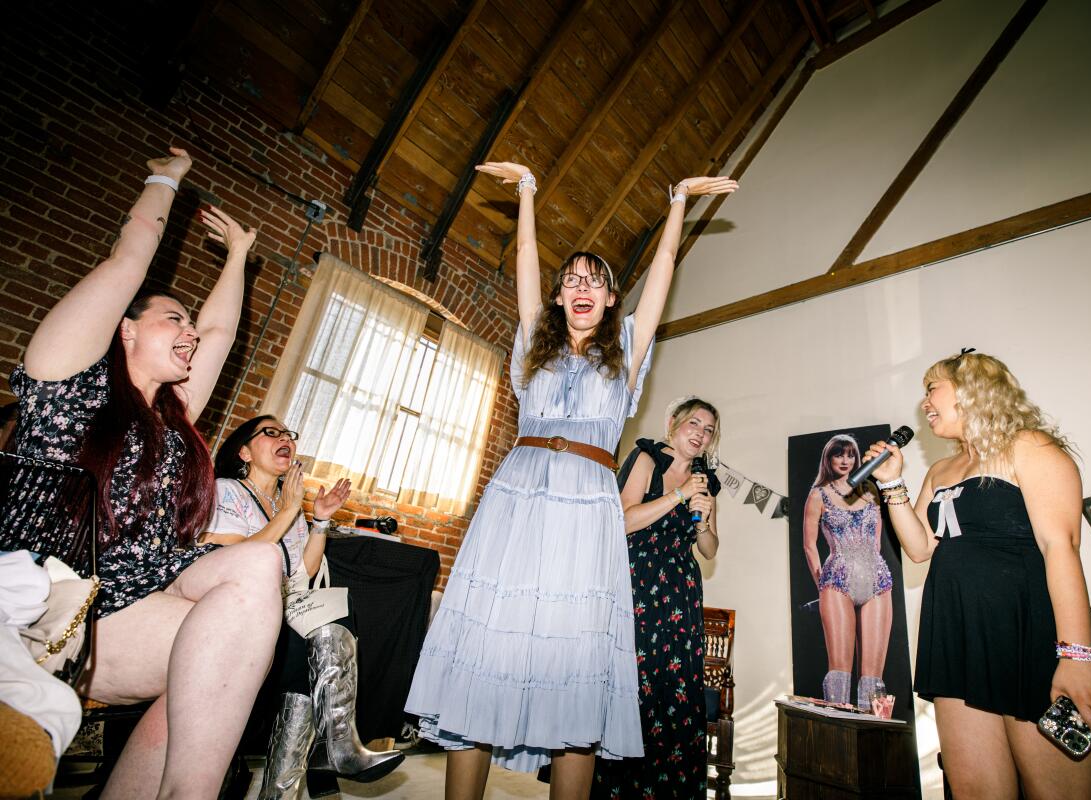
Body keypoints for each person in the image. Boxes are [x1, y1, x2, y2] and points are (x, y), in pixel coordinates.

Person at [405, 162, 737, 800]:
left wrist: (677, 205)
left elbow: (664, 273)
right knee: (487, 653)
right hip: (518, 499)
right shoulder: (534, 343)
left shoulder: (627, 357)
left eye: (597, 281)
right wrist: (527, 194)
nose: (582, 287)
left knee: (576, 666)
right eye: (572, 280)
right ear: (559, 297)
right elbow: (527, 258)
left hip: (587, 505)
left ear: (612, 300)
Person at [0, 148, 284, 798]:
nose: (189, 333)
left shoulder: (173, 416)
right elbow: (127, 262)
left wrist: (239, 256)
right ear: (125, 329)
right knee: (225, 663)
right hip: (70, 608)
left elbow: (218, 331)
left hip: (149, 592)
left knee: (259, 572)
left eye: (189, 323)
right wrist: (166, 180)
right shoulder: (70, 386)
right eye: (171, 319)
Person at [863, 351, 1091, 799]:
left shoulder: (1028, 446)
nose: (925, 401)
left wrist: (1077, 656)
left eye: (933, 388)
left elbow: (1061, 547)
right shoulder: (940, 470)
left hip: (1027, 634)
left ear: (972, 388)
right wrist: (892, 484)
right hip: (958, 637)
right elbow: (917, 549)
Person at [203, 415, 404, 799]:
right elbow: (232, 558)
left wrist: (320, 520)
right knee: (313, 640)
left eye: (289, 435)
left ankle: (319, 762)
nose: (285, 439)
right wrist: (287, 510)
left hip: (283, 607)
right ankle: (336, 750)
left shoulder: (288, 505)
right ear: (244, 451)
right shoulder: (226, 490)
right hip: (236, 607)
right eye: (271, 433)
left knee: (330, 617)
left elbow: (305, 571)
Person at [591, 396, 722, 799]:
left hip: (680, 595)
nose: (700, 434)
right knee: (634, 685)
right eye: (694, 424)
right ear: (674, 423)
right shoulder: (647, 457)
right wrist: (678, 496)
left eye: (709, 430)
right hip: (636, 584)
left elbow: (711, 549)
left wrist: (702, 516)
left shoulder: (706, 480)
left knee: (673, 690)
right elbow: (624, 521)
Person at [802, 434, 892, 710]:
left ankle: (871, 742)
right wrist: (823, 584)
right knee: (840, 673)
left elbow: (877, 540)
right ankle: (838, 745)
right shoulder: (818, 495)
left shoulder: (870, 491)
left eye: (850, 454)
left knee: (873, 678)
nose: (845, 460)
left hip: (876, 579)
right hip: (838, 580)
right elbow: (809, 546)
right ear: (828, 459)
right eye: (838, 454)